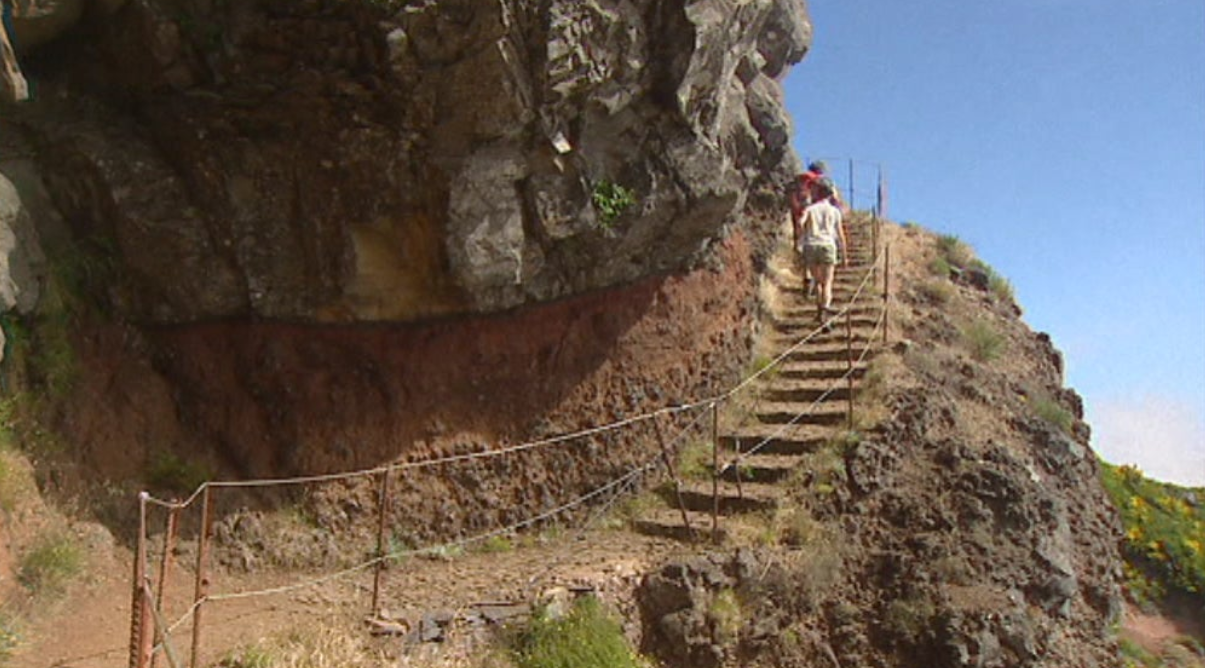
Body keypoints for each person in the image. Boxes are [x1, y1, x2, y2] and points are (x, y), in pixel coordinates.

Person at [796, 177, 848, 325]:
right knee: (827, 282)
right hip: (828, 245)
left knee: (818, 282)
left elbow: (800, 222)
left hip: (811, 245)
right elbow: (840, 235)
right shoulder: (834, 211)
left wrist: (802, 236)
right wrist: (844, 255)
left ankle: (819, 312)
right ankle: (825, 311)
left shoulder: (810, 209)